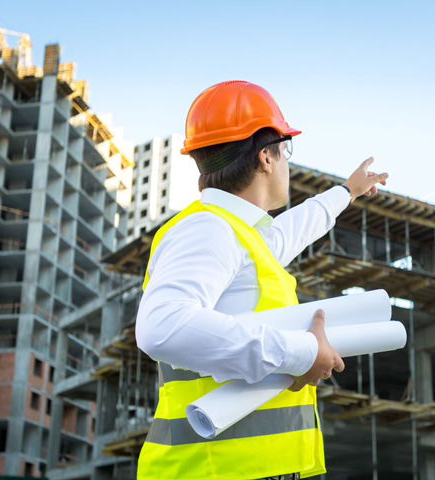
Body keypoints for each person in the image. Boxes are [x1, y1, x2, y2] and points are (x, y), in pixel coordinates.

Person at [136, 80, 388, 480]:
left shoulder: (241, 234)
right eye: (286, 151)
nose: (287, 163)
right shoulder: (208, 229)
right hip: (215, 471)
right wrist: (302, 352)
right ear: (266, 158)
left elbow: (292, 231)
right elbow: (162, 327)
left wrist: (347, 192)